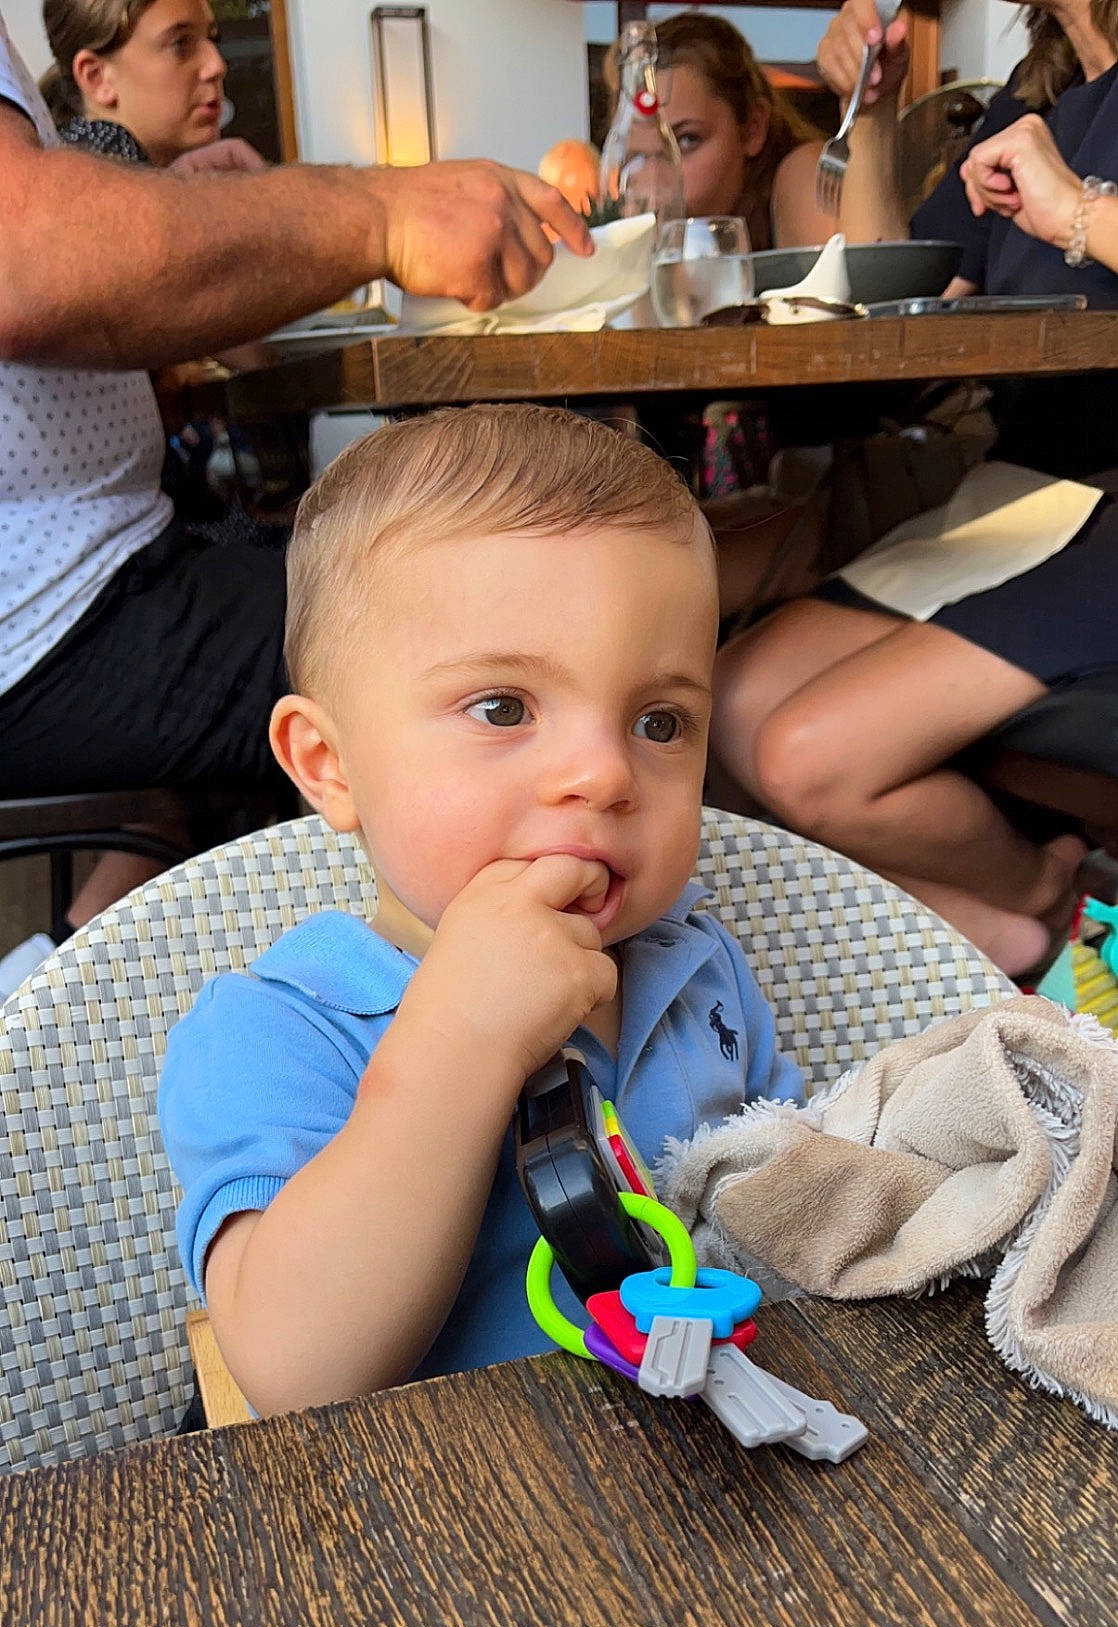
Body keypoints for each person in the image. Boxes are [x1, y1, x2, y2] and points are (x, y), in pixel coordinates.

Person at [157, 405, 803, 1416]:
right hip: (433, 1535)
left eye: (657, 720)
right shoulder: (272, 1031)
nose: (602, 772)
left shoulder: (695, 963)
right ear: (329, 766)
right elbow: (295, 1371)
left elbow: (791, 1199)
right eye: (502, 707)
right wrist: (459, 1037)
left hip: (706, 1479)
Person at [0, 7, 590, 995]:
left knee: (381, 578)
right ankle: (463, 1013)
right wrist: (384, 214)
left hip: (105, 567)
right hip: (53, 611)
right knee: (462, 640)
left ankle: (77, 980)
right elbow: (25, 255)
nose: (206, 69)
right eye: (175, 41)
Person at [708, 0, 1118, 978]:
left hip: (1104, 514)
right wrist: (879, 113)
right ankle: (1005, 938)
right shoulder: (1039, 98)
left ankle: (1040, 892)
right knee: (720, 708)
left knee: (806, 757)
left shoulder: (1049, 147)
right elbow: (895, 300)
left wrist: (1072, 211)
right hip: (1020, 500)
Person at [649, 10, 834, 252]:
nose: (656, 181)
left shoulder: (803, 173)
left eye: (687, 140)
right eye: (639, 154)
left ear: (752, 128)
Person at [40, 0, 244, 166]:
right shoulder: (96, 190)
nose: (217, 65)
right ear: (97, 77)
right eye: (180, 43)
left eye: (213, 38)